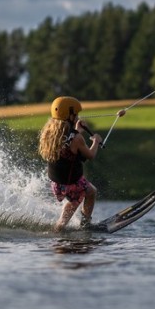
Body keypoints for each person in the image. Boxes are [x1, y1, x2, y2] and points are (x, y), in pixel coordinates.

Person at [38, 96, 102, 231]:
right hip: (71, 184)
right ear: (70, 115)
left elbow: (67, 143)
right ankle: (85, 225)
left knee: (77, 199)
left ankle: (62, 229)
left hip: (57, 184)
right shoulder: (77, 138)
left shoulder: (49, 133)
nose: (77, 117)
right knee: (90, 192)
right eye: (76, 114)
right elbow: (90, 155)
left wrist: (77, 131)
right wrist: (96, 141)